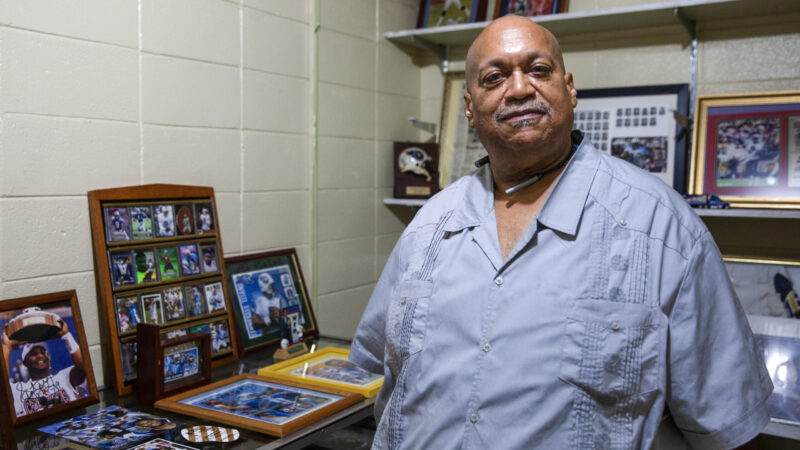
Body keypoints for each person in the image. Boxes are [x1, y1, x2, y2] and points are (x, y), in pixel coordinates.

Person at [350, 16, 772, 449]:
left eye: (538, 70)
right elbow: (381, 378)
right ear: (470, 108)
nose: (518, 89)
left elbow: (729, 430)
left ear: (569, 89)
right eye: (494, 77)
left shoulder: (662, 228)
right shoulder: (428, 227)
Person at [3, 318, 87, 417]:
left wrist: (66, 335)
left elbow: (85, 367)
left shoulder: (63, 377)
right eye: (34, 354)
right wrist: (7, 346)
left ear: (49, 359)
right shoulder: (19, 389)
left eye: (43, 352)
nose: (40, 356)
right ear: (25, 362)